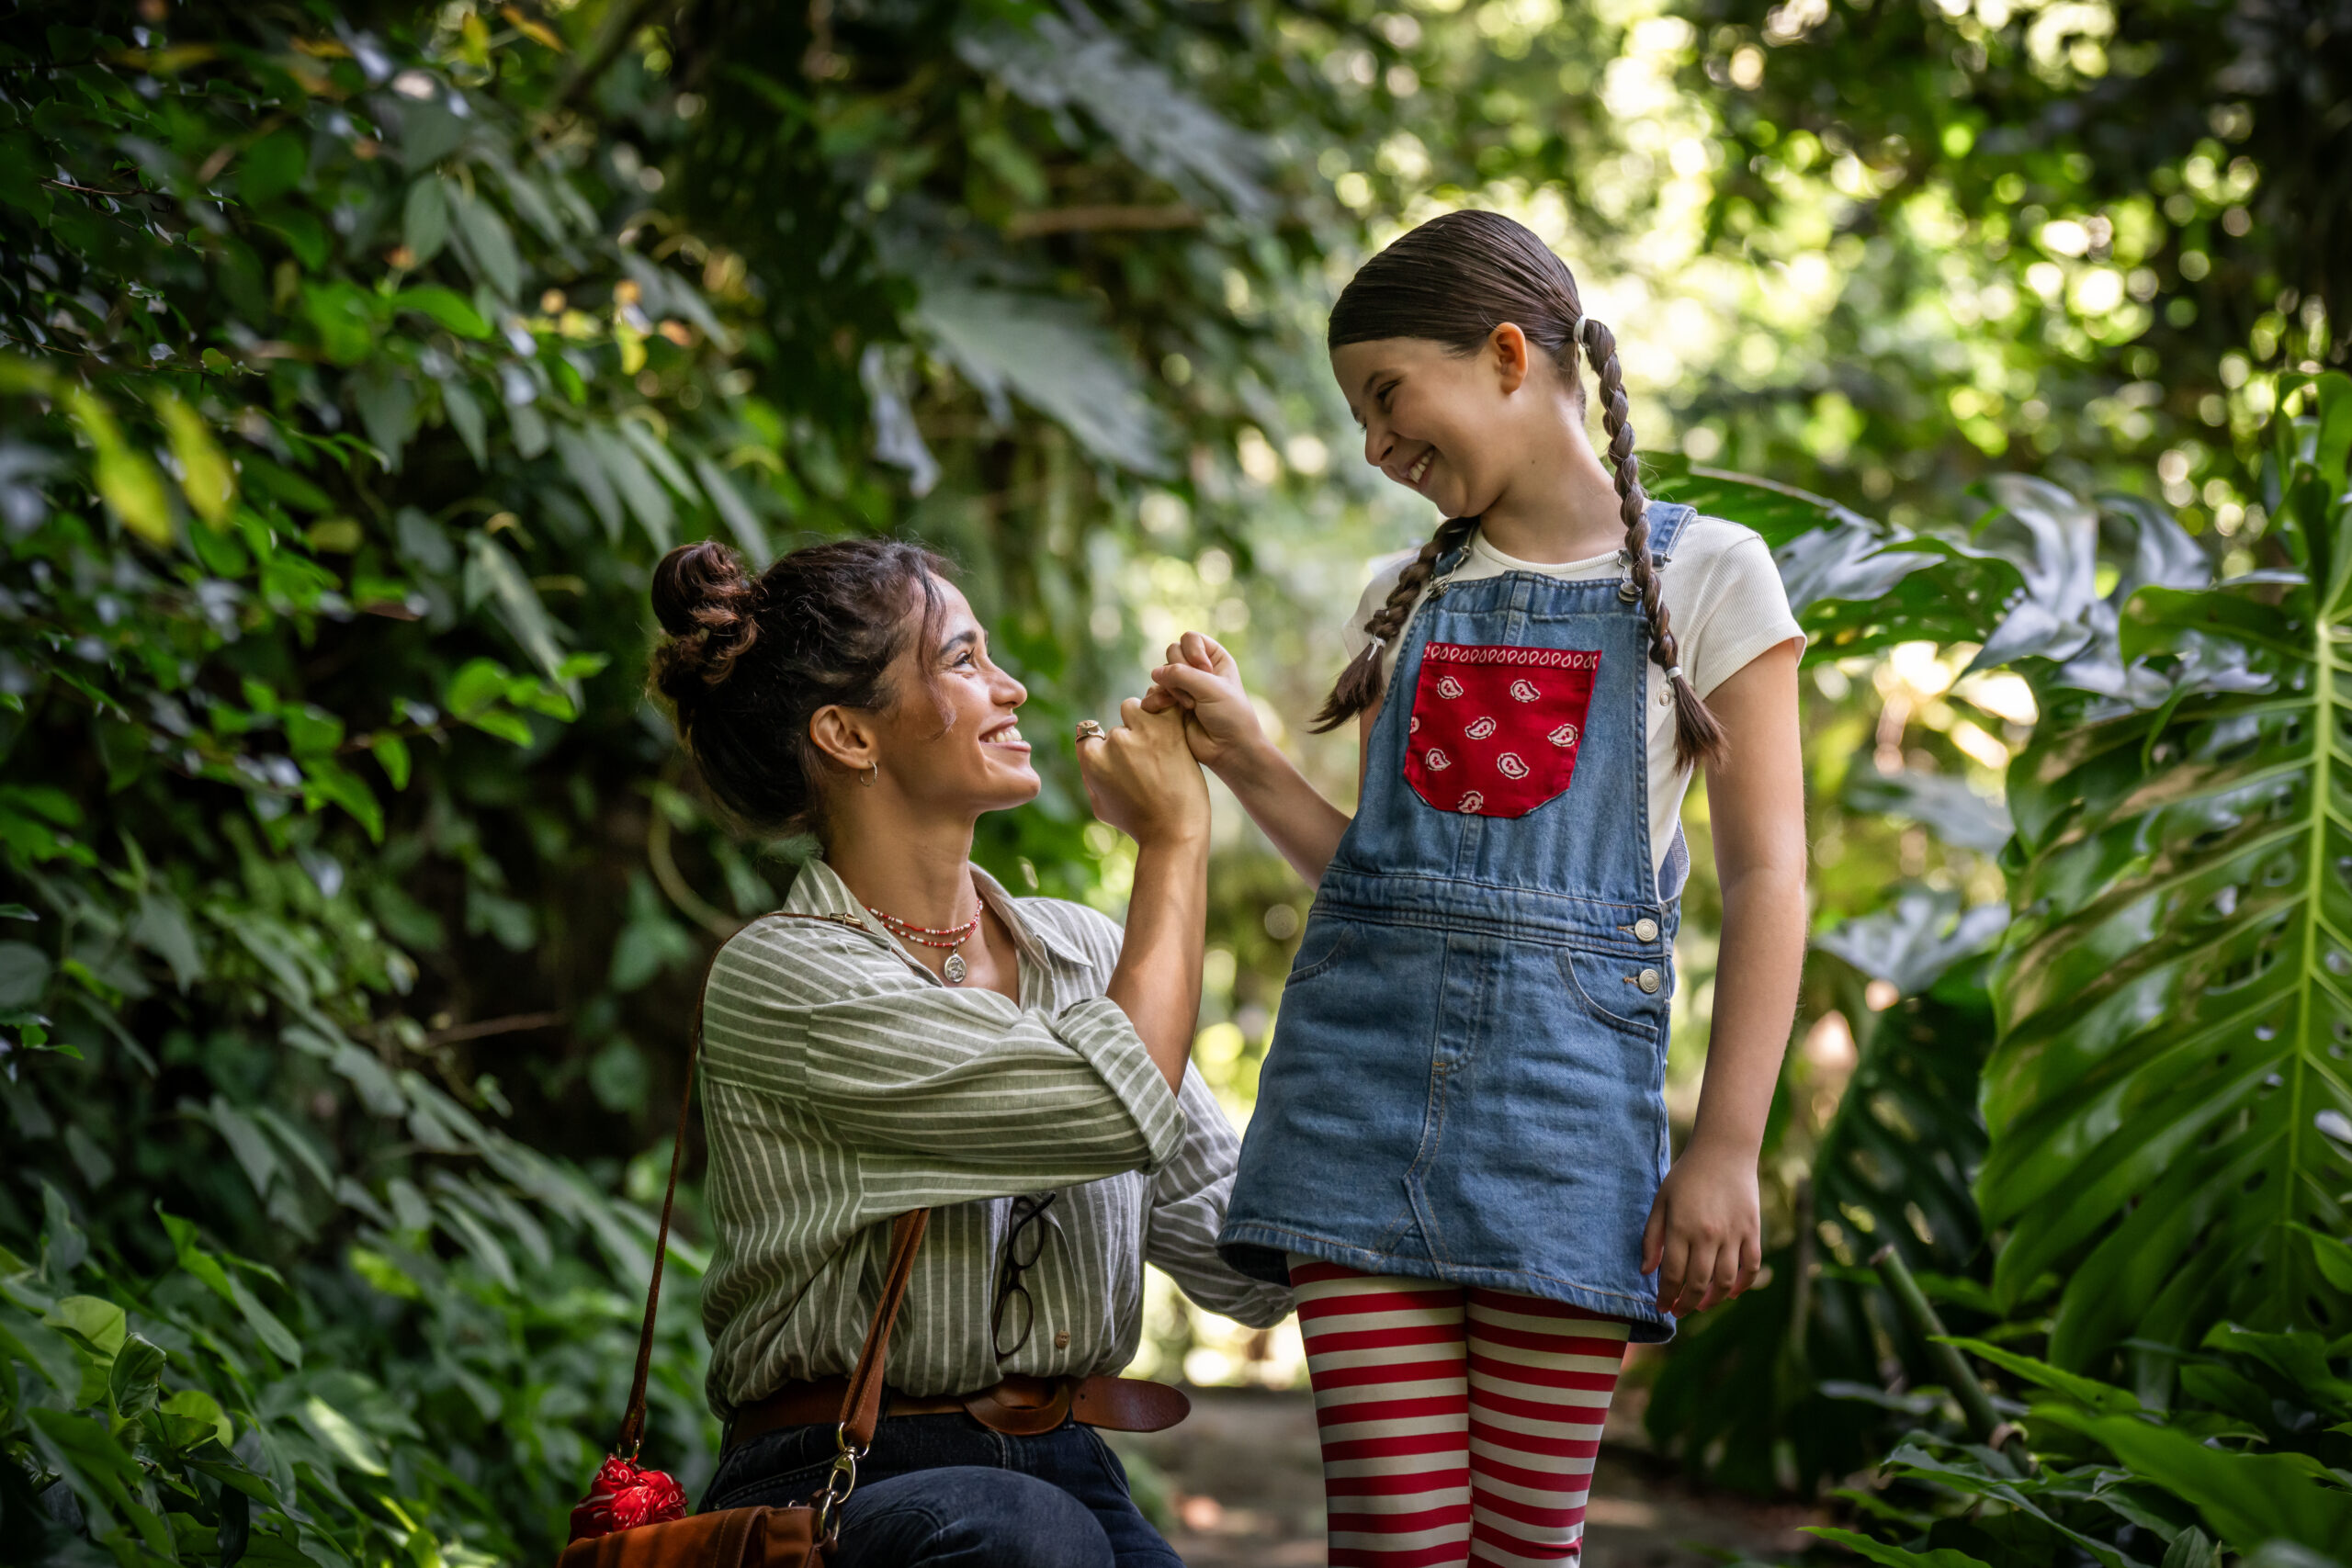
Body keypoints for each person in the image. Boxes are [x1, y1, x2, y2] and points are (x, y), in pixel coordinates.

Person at [1143, 210, 1807, 1567]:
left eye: (1388, 399)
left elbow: (1769, 877)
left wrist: (1727, 1145)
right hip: (1353, 1095)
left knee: (1522, 1543)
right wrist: (1252, 761)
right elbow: (1382, 879)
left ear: (1510, 353)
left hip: (1561, 1132)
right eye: (1361, 418)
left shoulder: (1711, 573)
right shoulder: (1407, 592)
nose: (1377, 448)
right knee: (1393, 1536)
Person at [646, 536, 1291, 1568]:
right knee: (1029, 1537)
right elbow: (1107, 1105)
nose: (1012, 687)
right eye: (962, 661)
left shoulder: (1084, 952)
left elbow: (1240, 1253)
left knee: (1064, 1532)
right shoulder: (786, 976)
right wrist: (1172, 844)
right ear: (847, 734)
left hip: (1070, 1471)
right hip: (842, 1477)